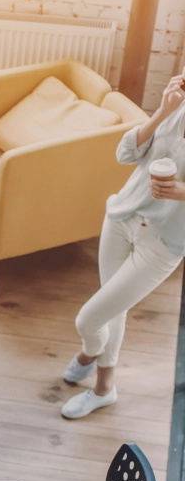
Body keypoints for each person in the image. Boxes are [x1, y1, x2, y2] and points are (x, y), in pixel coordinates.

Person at [60, 72, 185, 419]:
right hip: (123, 214)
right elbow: (125, 153)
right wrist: (162, 111)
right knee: (113, 308)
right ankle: (103, 389)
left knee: (89, 320)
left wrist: (181, 192)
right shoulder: (176, 108)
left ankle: (89, 354)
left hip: (163, 243)